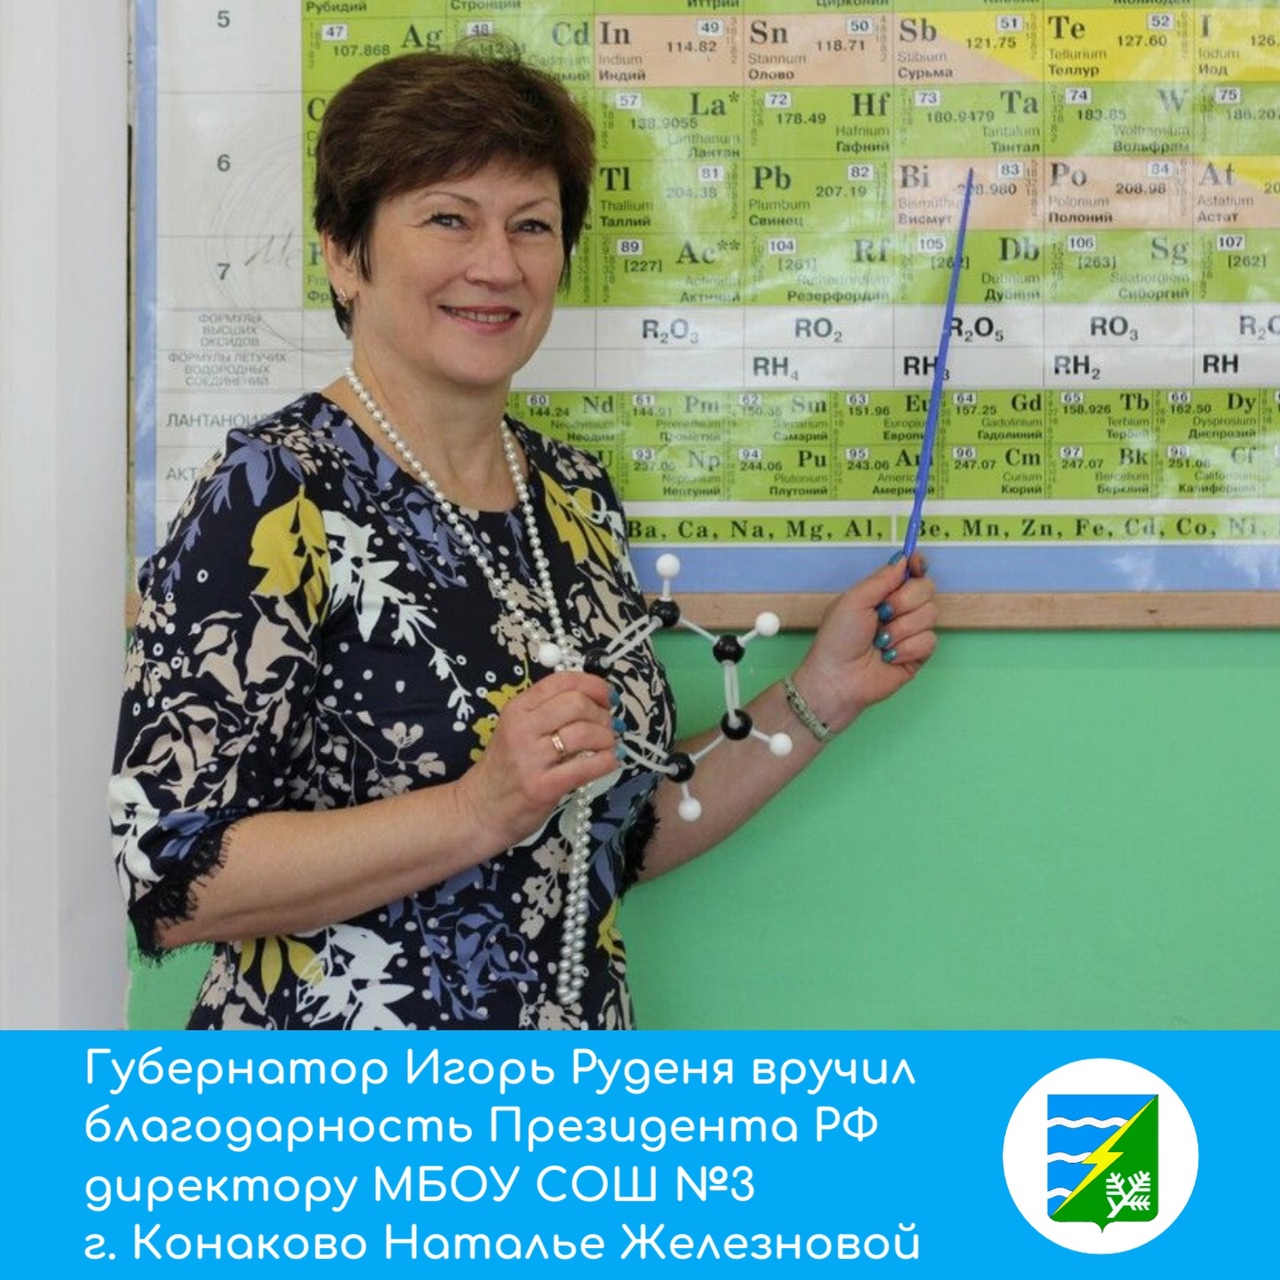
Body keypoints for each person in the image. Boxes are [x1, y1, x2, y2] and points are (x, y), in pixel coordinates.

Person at [110, 47, 938, 1030]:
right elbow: (164, 878)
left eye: (532, 225)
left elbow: (606, 838)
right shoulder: (274, 490)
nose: (497, 265)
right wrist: (477, 807)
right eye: (447, 218)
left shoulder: (572, 496)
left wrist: (819, 694)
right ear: (343, 253)